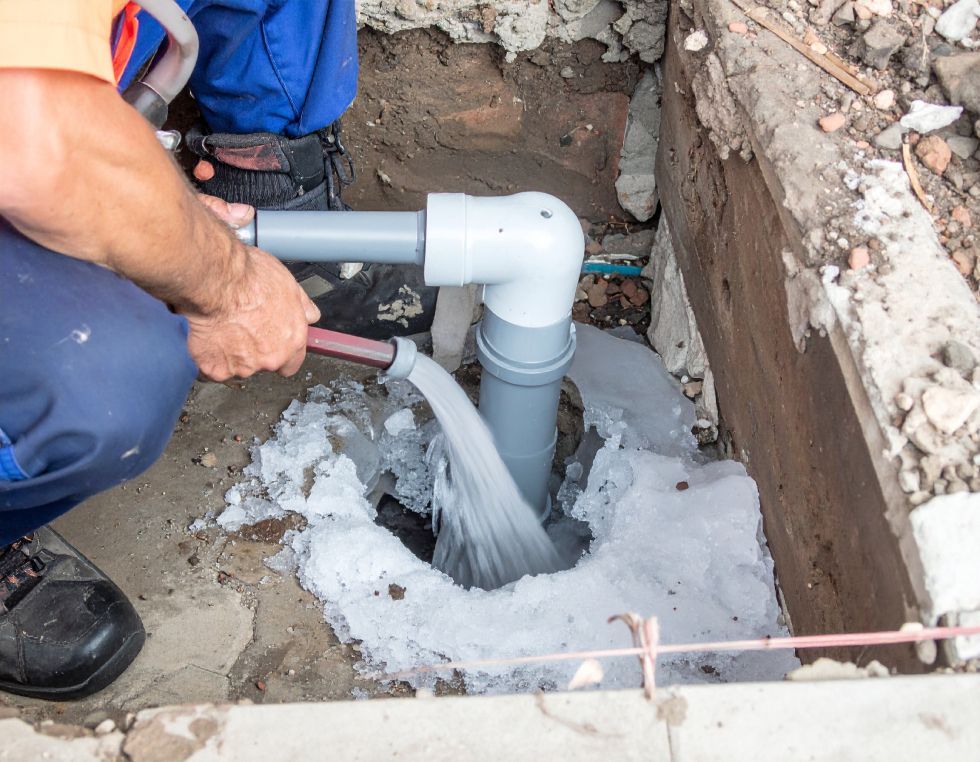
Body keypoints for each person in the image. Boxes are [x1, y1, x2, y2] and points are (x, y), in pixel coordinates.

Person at [0, 0, 418, 700]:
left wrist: (175, 220)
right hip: (25, 134)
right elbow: (35, 143)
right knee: (104, 384)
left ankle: (271, 193)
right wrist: (226, 287)